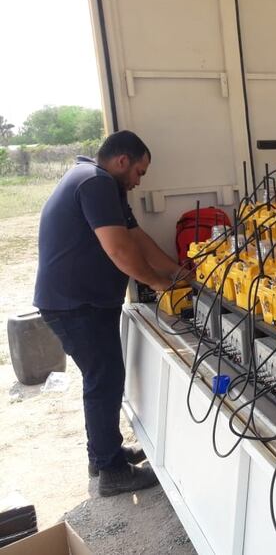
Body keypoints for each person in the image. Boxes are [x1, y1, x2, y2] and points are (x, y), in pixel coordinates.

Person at [34, 130, 182, 497]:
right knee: (104, 381)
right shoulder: (95, 183)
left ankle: (103, 455)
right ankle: (112, 471)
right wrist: (156, 282)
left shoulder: (103, 185)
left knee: (103, 379)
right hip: (75, 305)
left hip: (80, 302)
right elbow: (118, 250)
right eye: (139, 172)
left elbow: (136, 238)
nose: (139, 181)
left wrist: (177, 273)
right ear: (122, 161)